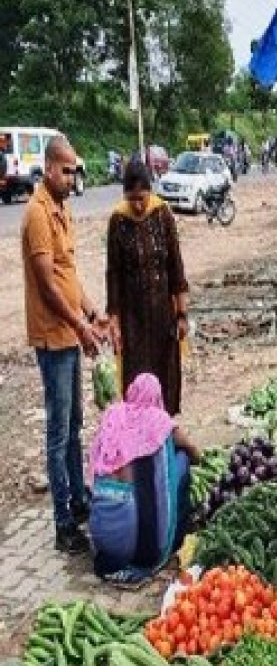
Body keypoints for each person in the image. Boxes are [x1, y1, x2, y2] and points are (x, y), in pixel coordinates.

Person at [21, 136, 105, 553]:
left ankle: (78, 498)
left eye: (75, 171)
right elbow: (46, 282)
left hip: (70, 331)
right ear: (50, 168)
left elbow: (69, 275)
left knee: (74, 426)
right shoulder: (37, 214)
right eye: (67, 170)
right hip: (53, 339)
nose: (73, 178)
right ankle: (62, 524)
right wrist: (79, 325)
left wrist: (92, 314)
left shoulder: (63, 211)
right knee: (58, 433)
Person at [88, 373, 199, 583]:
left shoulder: (113, 417)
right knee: (182, 460)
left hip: (102, 537)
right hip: (136, 543)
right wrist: (190, 456)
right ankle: (175, 534)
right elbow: (193, 451)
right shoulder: (159, 421)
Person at [106, 160, 189, 417]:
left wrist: (182, 314)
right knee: (136, 383)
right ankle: (139, 443)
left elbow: (176, 266)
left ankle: (165, 438)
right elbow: (113, 274)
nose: (138, 205)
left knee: (166, 379)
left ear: (150, 192)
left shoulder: (163, 214)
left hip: (163, 317)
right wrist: (114, 321)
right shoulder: (118, 220)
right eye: (132, 199)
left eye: (142, 198)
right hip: (133, 321)